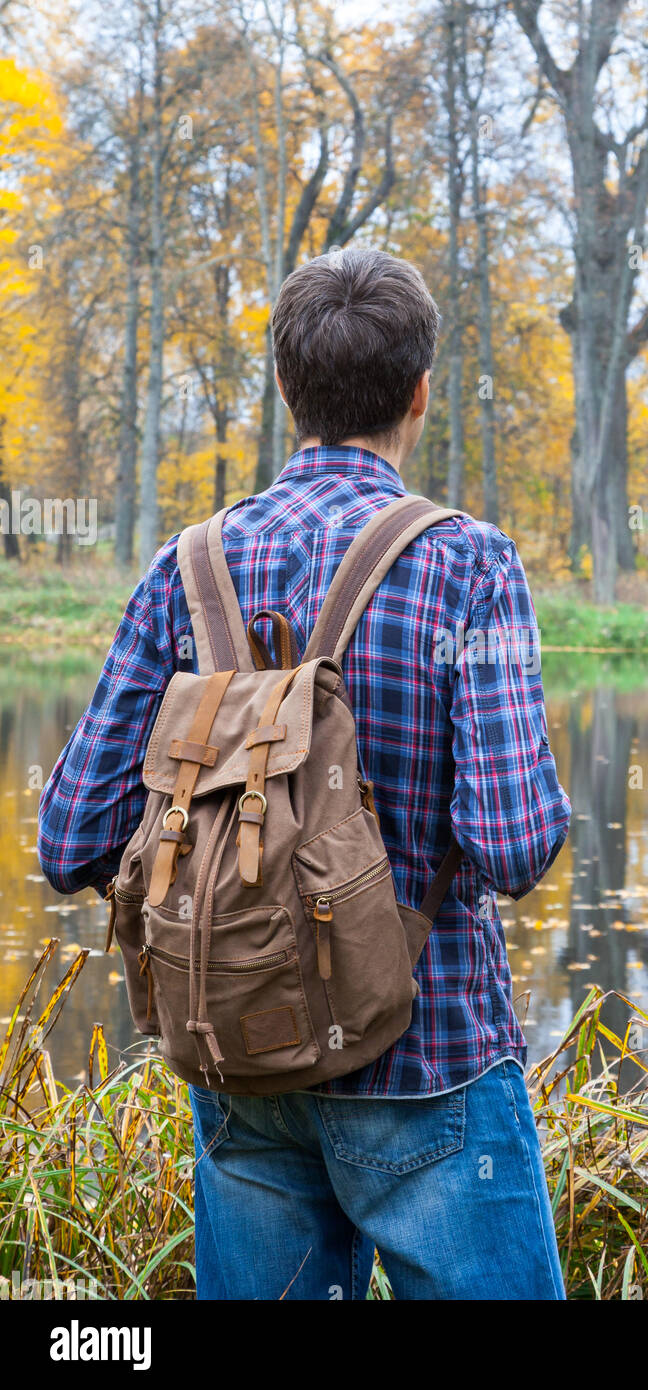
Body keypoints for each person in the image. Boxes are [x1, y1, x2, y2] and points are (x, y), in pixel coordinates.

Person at [38, 246, 572, 1301]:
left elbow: (70, 842)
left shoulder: (185, 568)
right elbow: (514, 846)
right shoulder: (469, 563)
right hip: (432, 1058)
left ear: (286, 389)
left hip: (242, 1056)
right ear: (421, 393)